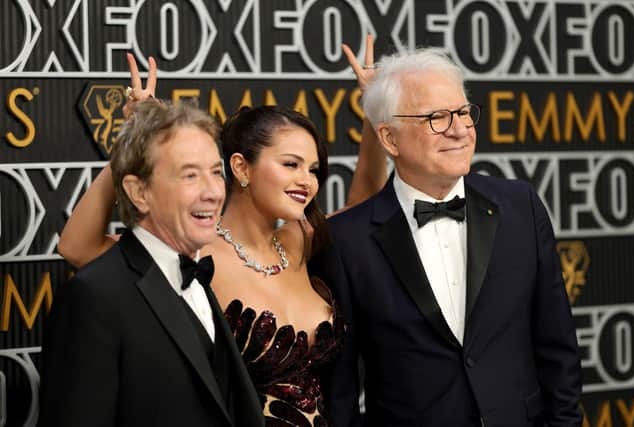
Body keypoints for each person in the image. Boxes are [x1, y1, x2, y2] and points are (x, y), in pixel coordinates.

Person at [56, 38, 387, 426]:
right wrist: (137, 140)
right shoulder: (193, 252)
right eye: (291, 164)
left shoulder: (298, 241)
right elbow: (78, 247)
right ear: (241, 168)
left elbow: (364, 208)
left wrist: (374, 109)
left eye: (313, 170)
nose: (307, 181)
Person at [311, 47, 583, 426]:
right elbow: (338, 389)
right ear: (390, 139)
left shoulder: (521, 208)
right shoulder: (347, 240)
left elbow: (559, 349)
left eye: (464, 112)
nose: (459, 129)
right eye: (436, 118)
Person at [39, 99, 264, 426]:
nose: (213, 192)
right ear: (138, 192)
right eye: (189, 175)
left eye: (216, 173)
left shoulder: (197, 276)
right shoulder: (93, 299)